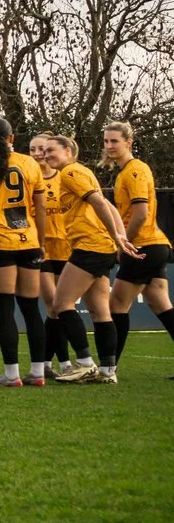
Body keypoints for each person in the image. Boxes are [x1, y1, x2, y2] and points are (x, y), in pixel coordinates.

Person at [35, 131, 142, 383]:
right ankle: (108, 371)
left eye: (52, 150)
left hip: (90, 246)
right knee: (99, 311)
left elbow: (100, 203)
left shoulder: (71, 173)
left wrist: (118, 236)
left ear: (69, 152)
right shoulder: (79, 173)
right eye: (44, 151)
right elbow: (109, 205)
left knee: (61, 305)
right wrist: (119, 236)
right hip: (99, 246)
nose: (46, 154)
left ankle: (84, 363)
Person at [0, 118, 51, 387]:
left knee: (5, 309)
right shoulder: (30, 163)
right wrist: (42, 242)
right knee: (30, 308)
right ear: (12, 138)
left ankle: (12, 374)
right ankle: (38, 372)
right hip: (28, 241)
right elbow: (40, 208)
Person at [101, 120, 173, 372]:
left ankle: (109, 367)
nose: (109, 146)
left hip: (144, 246)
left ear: (128, 143)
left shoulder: (134, 171)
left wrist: (124, 243)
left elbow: (140, 214)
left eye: (114, 141)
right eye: (107, 141)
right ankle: (109, 366)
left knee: (115, 305)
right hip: (153, 246)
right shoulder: (127, 171)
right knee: (160, 305)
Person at [31, 131, 88, 374]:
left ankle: (48, 362)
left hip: (66, 248)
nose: (37, 154)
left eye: (41, 149)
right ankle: (63, 362)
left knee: (59, 308)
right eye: (32, 149)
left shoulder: (64, 177)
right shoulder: (28, 179)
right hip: (42, 250)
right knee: (54, 305)